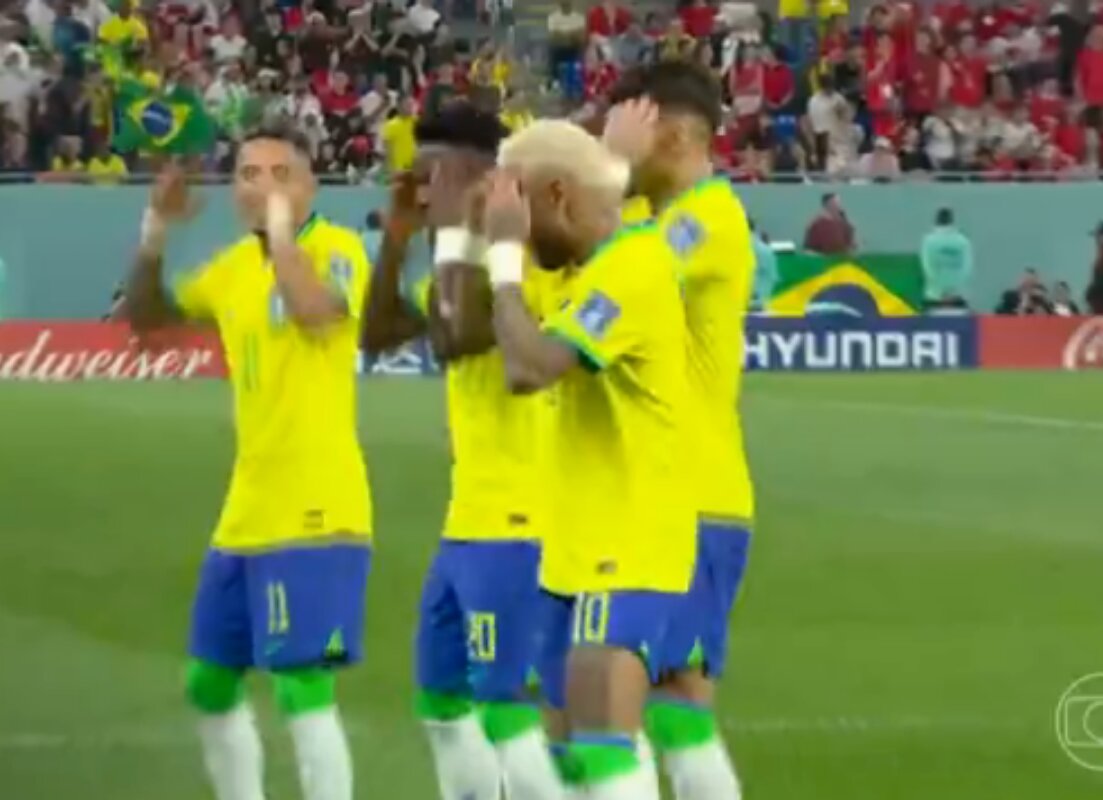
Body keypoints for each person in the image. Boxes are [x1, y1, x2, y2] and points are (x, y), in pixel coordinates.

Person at [123, 125, 373, 800]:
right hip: (247, 509)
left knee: (301, 687)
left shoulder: (338, 248)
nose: (259, 185)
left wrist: (283, 231)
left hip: (317, 505)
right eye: (246, 174)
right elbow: (148, 321)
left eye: (277, 173)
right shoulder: (232, 267)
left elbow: (315, 312)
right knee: (208, 681)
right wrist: (155, 229)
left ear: (309, 186)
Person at [481, 119, 695, 800]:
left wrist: (504, 259)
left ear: (554, 196)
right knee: (569, 755)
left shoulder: (634, 267)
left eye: (517, 206)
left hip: (627, 545)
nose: (509, 223)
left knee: (605, 751)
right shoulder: (594, 266)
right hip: (575, 548)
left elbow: (529, 367)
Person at [360, 104, 562, 800]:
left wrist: (455, 233)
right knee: (442, 705)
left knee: (508, 714)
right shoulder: (459, 261)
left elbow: (455, 337)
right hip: (466, 525)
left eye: (429, 173)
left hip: (520, 524)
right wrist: (397, 236)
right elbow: (378, 331)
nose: (419, 186)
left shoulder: (523, 262)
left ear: (476, 174)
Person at [605, 60, 752, 800]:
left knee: (665, 696)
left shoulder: (707, 218)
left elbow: (633, 282)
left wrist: (604, 170)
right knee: (645, 696)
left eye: (631, 128)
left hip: (694, 495)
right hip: (654, 494)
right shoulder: (654, 220)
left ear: (669, 135)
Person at [920, 208, 973, 312]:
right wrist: (952, 291)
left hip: (934, 295)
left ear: (936, 221)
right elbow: (967, 268)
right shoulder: (963, 241)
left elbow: (927, 267)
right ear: (952, 221)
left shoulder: (928, 240)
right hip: (958, 295)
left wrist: (941, 292)